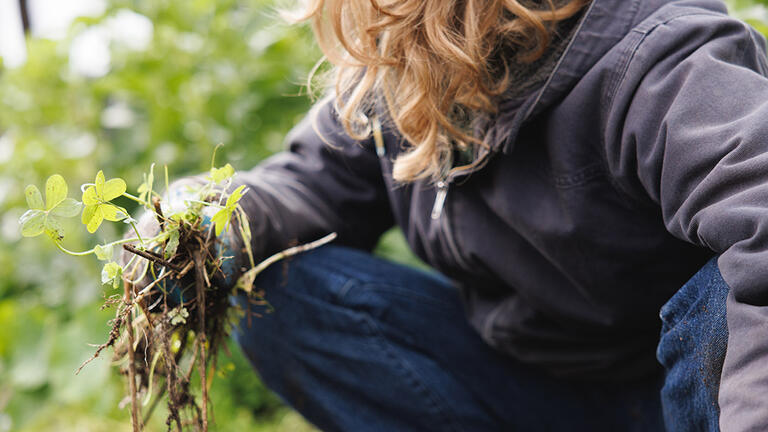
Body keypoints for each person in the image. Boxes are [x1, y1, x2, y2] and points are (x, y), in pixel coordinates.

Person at [130, 0, 768, 430]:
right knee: (278, 287)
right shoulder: (408, 75)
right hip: (532, 380)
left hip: (690, 393)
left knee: (722, 296)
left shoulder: (663, 62)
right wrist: (206, 221)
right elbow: (309, 182)